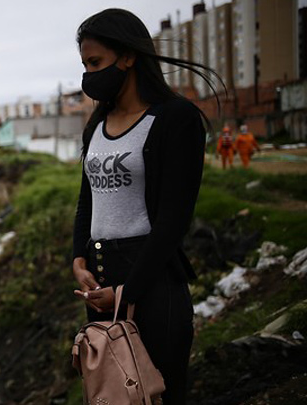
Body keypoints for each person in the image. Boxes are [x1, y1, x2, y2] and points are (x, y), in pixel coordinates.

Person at [70, 9, 223, 405]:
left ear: (128, 56)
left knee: (159, 392)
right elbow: (88, 197)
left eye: (95, 62)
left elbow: (174, 220)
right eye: (85, 65)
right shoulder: (97, 124)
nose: (88, 75)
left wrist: (128, 292)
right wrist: (78, 258)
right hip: (103, 283)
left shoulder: (176, 119)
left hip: (152, 282)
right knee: (113, 393)